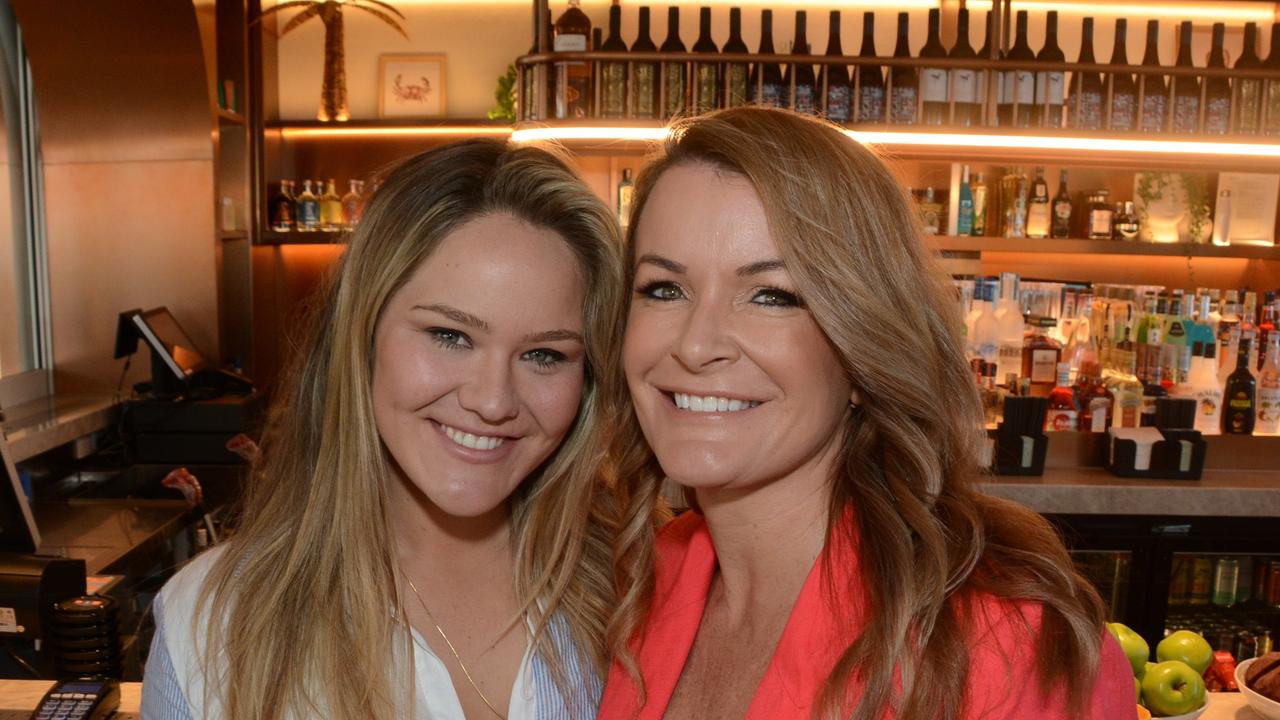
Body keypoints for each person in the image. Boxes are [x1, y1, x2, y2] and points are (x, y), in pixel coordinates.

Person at [599, 107, 1134, 720]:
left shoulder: (1005, 645)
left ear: (863, 347)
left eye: (774, 296)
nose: (695, 345)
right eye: (664, 289)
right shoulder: (638, 584)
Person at [141, 139, 622, 720]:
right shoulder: (212, 622)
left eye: (545, 354)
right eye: (450, 336)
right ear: (360, 336)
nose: (493, 401)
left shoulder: (644, 593)